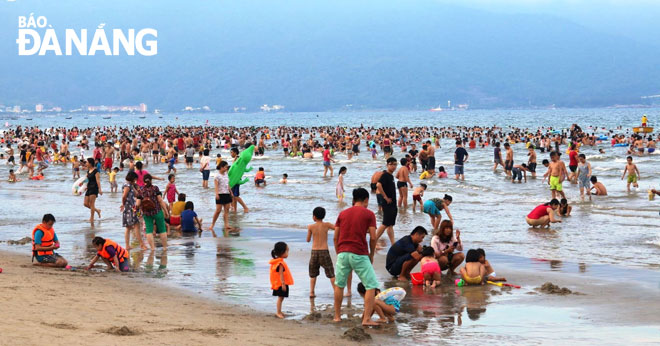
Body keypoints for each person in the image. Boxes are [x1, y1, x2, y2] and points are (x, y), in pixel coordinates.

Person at [333, 188, 379, 326]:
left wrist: (339, 252)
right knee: (371, 285)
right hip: (359, 253)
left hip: (342, 252)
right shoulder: (369, 214)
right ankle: (366, 319)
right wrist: (371, 254)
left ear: (353, 200)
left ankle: (337, 316)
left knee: (339, 285)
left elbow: (336, 237)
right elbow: (373, 237)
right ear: (366, 200)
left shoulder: (342, 213)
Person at [306, 207, 336, 298]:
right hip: (324, 251)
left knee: (313, 273)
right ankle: (336, 291)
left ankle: (311, 292)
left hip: (314, 251)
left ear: (314, 217)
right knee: (330, 273)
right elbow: (337, 228)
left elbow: (308, 240)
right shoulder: (327, 225)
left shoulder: (310, 226)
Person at [136, 174, 170, 251]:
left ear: (143, 181)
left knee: (149, 231)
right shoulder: (155, 188)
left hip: (146, 213)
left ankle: (152, 248)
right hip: (157, 211)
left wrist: (137, 211)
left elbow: (137, 204)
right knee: (162, 229)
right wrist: (166, 211)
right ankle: (164, 247)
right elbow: (160, 200)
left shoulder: (140, 190)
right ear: (151, 180)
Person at [376, 157, 398, 246]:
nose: (394, 166)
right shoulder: (385, 175)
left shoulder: (391, 176)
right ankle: (374, 239)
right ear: (387, 165)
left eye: (395, 164)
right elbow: (378, 184)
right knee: (385, 223)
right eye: (391, 164)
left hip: (392, 203)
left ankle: (393, 243)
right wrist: (385, 197)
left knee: (390, 224)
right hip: (388, 203)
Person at [121, 171, 146, 250]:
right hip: (131, 208)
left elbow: (137, 195)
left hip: (133, 208)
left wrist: (136, 187)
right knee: (136, 225)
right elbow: (124, 196)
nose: (136, 180)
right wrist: (123, 204)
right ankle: (141, 245)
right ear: (133, 178)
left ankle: (128, 245)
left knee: (130, 227)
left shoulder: (130, 185)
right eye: (135, 179)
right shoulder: (127, 185)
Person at [270, 241, 293, 319]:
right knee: (280, 298)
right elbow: (281, 275)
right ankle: (278, 312)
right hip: (280, 284)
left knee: (281, 298)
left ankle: (279, 311)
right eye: (286, 251)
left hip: (279, 283)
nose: (287, 253)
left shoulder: (278, 262)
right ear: (282, 252)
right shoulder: (280, 263)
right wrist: (283, 284)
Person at [209, 160, 233, 234]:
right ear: (222, 167)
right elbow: (216, 186)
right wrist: (216, 194)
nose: (226, 168)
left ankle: (226, 225)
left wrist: (231, 192)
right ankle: (212, 225)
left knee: (226, 210)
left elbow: (227, 184)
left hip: (226, 193)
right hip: (220, 194)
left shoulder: (226, 174)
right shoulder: (217, 176)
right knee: (218, 210)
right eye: (225, 167)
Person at [83, 158, 102, 222]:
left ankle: (92, 218)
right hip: (88, 188)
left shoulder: (96, 171)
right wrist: (84, 187)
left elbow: (98, 181)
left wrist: (100, 189)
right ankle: (97, 210)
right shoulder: (88, 171)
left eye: (87, 162)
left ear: (90, 163)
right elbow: (86, 180)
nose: (86, 163)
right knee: (85, 203)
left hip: (94, 188)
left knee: (92, 204)